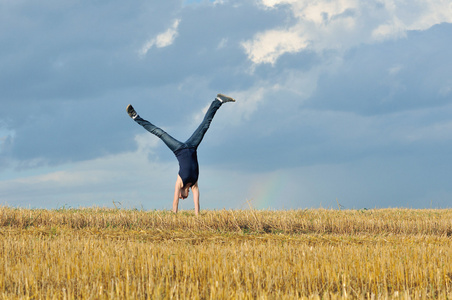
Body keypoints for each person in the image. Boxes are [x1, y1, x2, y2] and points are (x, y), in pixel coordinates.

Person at [126, 94, 235, 215]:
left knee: (159, 132)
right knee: (205, 125)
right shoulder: (194, 184)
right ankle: (218, 101)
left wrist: (174, 215)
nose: (181, 197)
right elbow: (196, 202)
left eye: (180, 197)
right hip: (192, 146)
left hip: (178, 149)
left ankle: (135, 117)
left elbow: (174, 202)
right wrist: (197, 216)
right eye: (183, 197)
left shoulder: (179, 182)